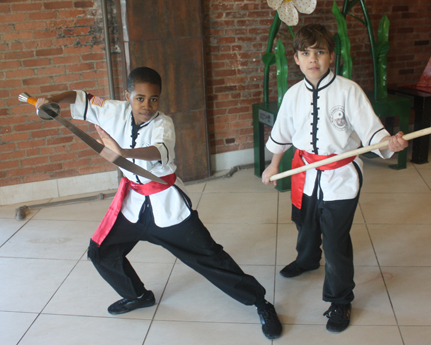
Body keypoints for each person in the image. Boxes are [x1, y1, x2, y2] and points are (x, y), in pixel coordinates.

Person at [35, 67, 282, 340]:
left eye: (154, 99)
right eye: (140, 98)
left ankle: (261, 303)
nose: (147, 105)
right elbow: (79, 96)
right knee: (101, 252)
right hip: (132, 205)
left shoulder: (163, 124)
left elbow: (158, 151)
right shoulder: (111, 109)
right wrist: (53, 99)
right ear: (127, 95)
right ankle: (138, 295)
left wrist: (123, 153)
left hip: (168, 208)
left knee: (210, 258)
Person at [261, 24, 408, 333]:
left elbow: (374, 133)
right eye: (305, 53)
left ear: (331, 56)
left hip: (341, 177)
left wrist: (389, 144)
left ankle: (340, 299)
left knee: (336, 238)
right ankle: (307, 259)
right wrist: (273, 165)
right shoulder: (292, 95)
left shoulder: (348, 90)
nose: (312, 59)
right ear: (297, 59)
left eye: (319, 52)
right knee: (305, 222)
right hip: (304, 172)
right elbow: (282, 134)